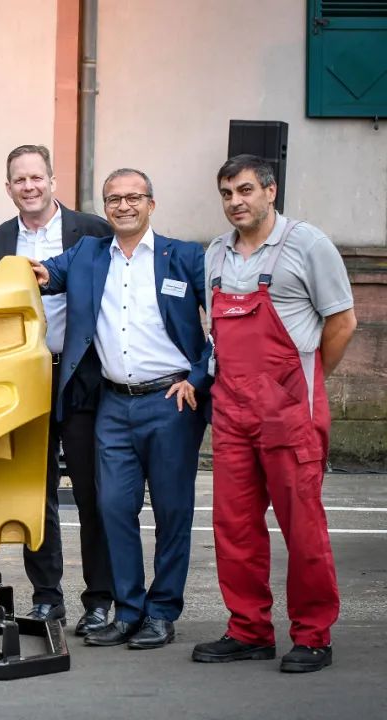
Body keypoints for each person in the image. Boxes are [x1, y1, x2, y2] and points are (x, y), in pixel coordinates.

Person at [31, 168, 211, 649]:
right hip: (112, 403)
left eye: (134, 197)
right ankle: (129, 611)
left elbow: (226, 319)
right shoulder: (88, 254)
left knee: (172, 512)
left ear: (152, 203)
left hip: (172, 401)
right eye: (114, 199)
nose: (124, 206)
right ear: (105, 206)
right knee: (112, 508)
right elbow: (41, 275)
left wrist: (198, 376)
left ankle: (161, 611)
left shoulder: (185, 256)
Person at [192, 155, 356, 673]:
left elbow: (343, 322)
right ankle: (248, 630)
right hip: (232, 410)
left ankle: (313, 635)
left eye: (244, 190)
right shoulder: (216, 252)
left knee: (302, 527)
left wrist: (306, 382)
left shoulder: (307, 244)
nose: (235, 202)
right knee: (234, 526)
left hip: (290, 411)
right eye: (226, 194)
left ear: (270, 191)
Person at [0, 144, 113, 635]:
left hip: (79, 376)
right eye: (20, 180)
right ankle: (46, 597)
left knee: (91, 492)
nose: (29, 187)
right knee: (34, 493)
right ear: (8, 188)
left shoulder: (92, 231)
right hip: (24, 378)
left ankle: (99, 599)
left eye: (37, 177)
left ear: (52, 181)